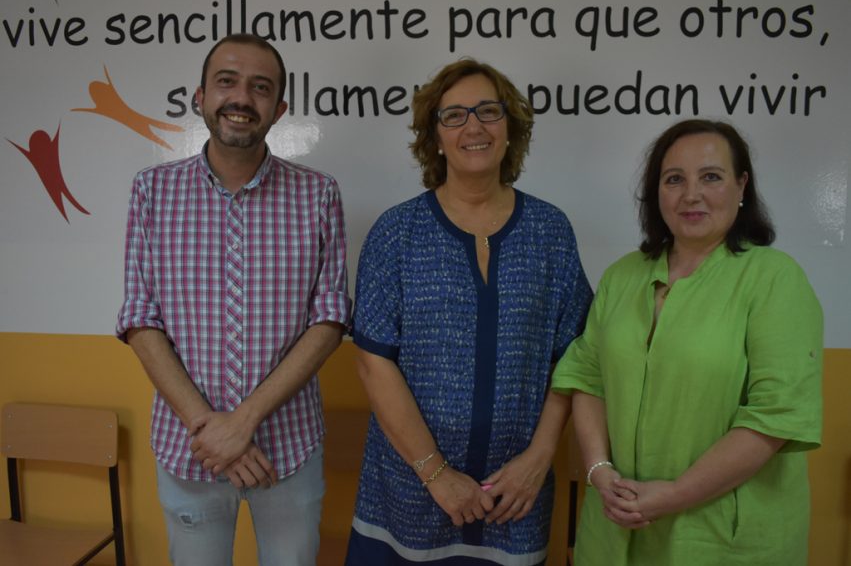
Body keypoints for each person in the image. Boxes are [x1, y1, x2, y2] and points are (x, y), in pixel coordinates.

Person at [345, 58, 593, 566]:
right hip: (408, 494)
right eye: (454, 115)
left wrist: (539, 458)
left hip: (515, 498)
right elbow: (374, 363)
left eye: (488, 111)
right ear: (435, 137)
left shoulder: (550, 232)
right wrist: (437, 475)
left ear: (510, 128)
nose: (473, 126)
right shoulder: (397, 233)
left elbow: (574, 357)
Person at [115, 34, 351, 566]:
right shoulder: (152, 191)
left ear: (280, 109)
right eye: (227, 82)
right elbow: (140, 320)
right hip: (190, 449)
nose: (241, 98)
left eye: (260, 87)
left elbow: (330, 319)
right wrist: (212, 429)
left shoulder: (319, 194)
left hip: (289, 448)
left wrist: (242, 423)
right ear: (200, 96)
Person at [553, 119, 823, 565]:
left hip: (721, 540)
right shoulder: (622, 276)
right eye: (674, 179)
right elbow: (587, 376)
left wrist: (675, 494)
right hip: (614, 526)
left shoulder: (775, 279)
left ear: (742, 185)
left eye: (711, 177)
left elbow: (776, 416)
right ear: (656, 191)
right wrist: (600, 471)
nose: (691, 194)